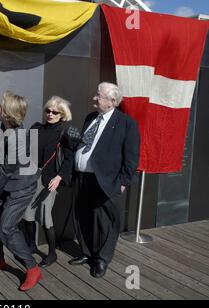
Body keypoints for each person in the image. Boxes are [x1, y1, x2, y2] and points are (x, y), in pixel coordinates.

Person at [69, 82, 140, 278]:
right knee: (82, 215)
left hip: (106, 181)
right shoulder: (91, 118)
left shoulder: (127, 123)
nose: (94, 98)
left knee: (105, 221)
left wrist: (124, 182)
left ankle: (102, 259)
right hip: (82, 178)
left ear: (111, 101)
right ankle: (86, 252)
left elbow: (131, 157)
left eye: (98, 96)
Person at [0, 90, 41, 291]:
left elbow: (5, 172)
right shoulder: (6, 128)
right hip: (7, 184)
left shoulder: (16, 138)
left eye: (0, 106)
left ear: (6, 113)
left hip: (21, 187)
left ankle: (32, 268)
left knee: (6, 228)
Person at [23, 96, 79, 268]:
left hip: (50, 180)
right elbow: (24, 149)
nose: (50, 114)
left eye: (55, 112)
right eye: (48, 110)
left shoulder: (65, 133)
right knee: (27, 213)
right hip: (32, 176)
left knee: (45, 216)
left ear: (62, 115)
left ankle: (52, 253)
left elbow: (69, 159)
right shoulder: (36, 128)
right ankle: (31, 245)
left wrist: (59, 177)